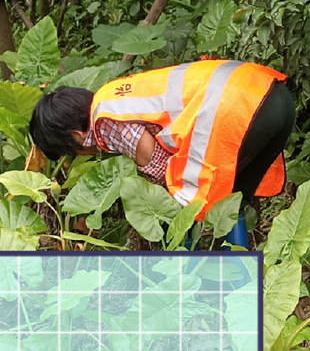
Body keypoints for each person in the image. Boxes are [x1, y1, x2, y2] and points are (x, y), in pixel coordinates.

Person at [29, 59, 295, 246]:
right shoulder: (114, 94)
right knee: (232, 203)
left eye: (72, 151)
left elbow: (154, 161)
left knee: (182, 203)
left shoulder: (104, 121)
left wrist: (162, 205)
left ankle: (206, 282)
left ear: (75, 136)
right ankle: (240, 281)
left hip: (236, 110)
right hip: (274, 95)